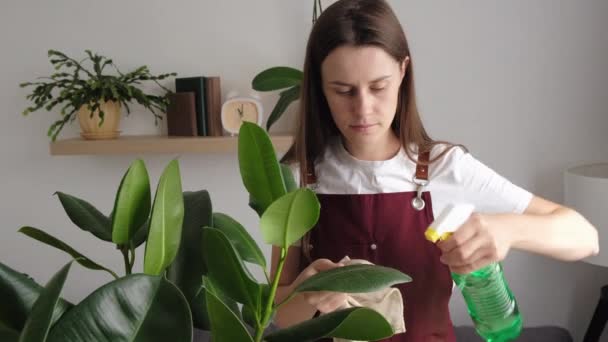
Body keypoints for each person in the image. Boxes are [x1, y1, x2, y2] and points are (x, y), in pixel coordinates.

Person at [271, 0, 599, 340]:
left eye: (378, 87)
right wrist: (310, 294)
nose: (363, 108)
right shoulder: (298, 179)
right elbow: (281, 315)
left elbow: (585, 237)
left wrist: (506, 231)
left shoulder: (445, 168)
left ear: (403, 71)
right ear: (320, 86)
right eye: (343, 91)